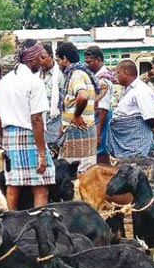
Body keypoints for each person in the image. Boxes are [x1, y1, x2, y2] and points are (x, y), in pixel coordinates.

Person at [0, 39, 53, 209]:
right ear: (33, 59)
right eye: (40, 58)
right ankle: (40, 226)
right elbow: (36, 119)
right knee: (40, 188)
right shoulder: (34, 82)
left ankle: (6, 226)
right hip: (30, 137)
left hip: (9, 137)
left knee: (12, 187)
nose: (42, 62)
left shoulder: (5, 81)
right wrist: (42, 153)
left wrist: (2, 138)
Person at [56, 41, 98, 171]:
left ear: (65, 59)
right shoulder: (82, 73)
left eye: (58, 60)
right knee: (87, 173)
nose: (58, 64)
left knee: (72, 175)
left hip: (77, 132)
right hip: (86, 131)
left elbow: (83, 96)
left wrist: (77, 116)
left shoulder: (76, 75)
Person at [107, 59, 154, 159]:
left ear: (125, 73)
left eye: (117, 73)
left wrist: (150, 128)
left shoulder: (140, 90)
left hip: (136, 138)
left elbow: (151, 118)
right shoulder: (127, 89)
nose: (116, 76)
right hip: (126, 138)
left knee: (135, 165)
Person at [83, 46, 117, 164]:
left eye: (89, 62)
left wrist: (98, 132)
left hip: (102, 118)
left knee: (100, 151)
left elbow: (103, 108)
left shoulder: (103, 80)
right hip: (97, 118)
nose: (86, 65)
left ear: (98, 60)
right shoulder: (96, 77)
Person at [38, 44, 62, 146]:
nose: (40, 61)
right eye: (38, 58)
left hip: (55, 125)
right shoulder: (35, 75)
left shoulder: (60, 75)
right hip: (39, 124)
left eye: (43, 58)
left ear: (51, 57)